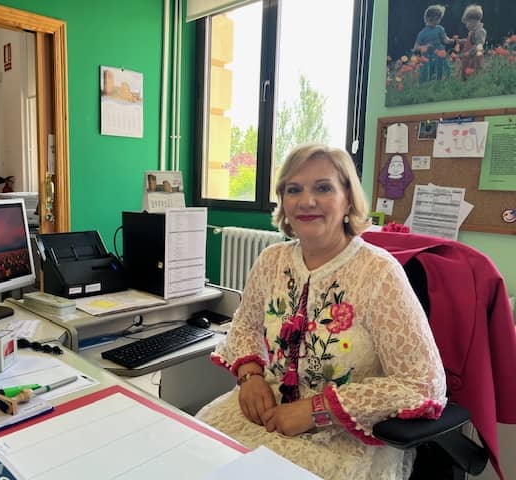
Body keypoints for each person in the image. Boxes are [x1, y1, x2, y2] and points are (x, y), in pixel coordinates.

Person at [196, 144, 447, 480]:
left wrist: (316, 410)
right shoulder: (271, 261)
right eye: (293, 189)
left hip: (343, 436)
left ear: (348, 199)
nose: (307, 201)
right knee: (193, 452)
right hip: (266, 411)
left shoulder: (379, 273)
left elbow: (423, 383)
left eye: (323, 188)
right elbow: (244, 327)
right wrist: (250, 376)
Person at [413, 4, 454, 83]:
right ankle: (436, 85)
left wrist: (452, 41)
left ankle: (443, 84)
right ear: (429, 18)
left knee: (442, 71)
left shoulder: (439, 29)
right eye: (438, 18)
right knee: (431, 75)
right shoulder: (422, 33)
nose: (439, 20)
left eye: (439, 18)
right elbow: (416, 48)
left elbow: (445, 40)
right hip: (429, 58)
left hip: (440, 55)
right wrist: (424, 49)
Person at [460, 4, 486, 81]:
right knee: (466, 77)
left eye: (467, 22)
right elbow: (469, 41)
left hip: (475, 59)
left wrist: (469, 53)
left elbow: (479, 45)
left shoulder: (480, 31)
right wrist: (458, 41)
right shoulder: (472, 32)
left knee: (474, 76)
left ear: (473, 20)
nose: (466, 25)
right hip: (468, 59)